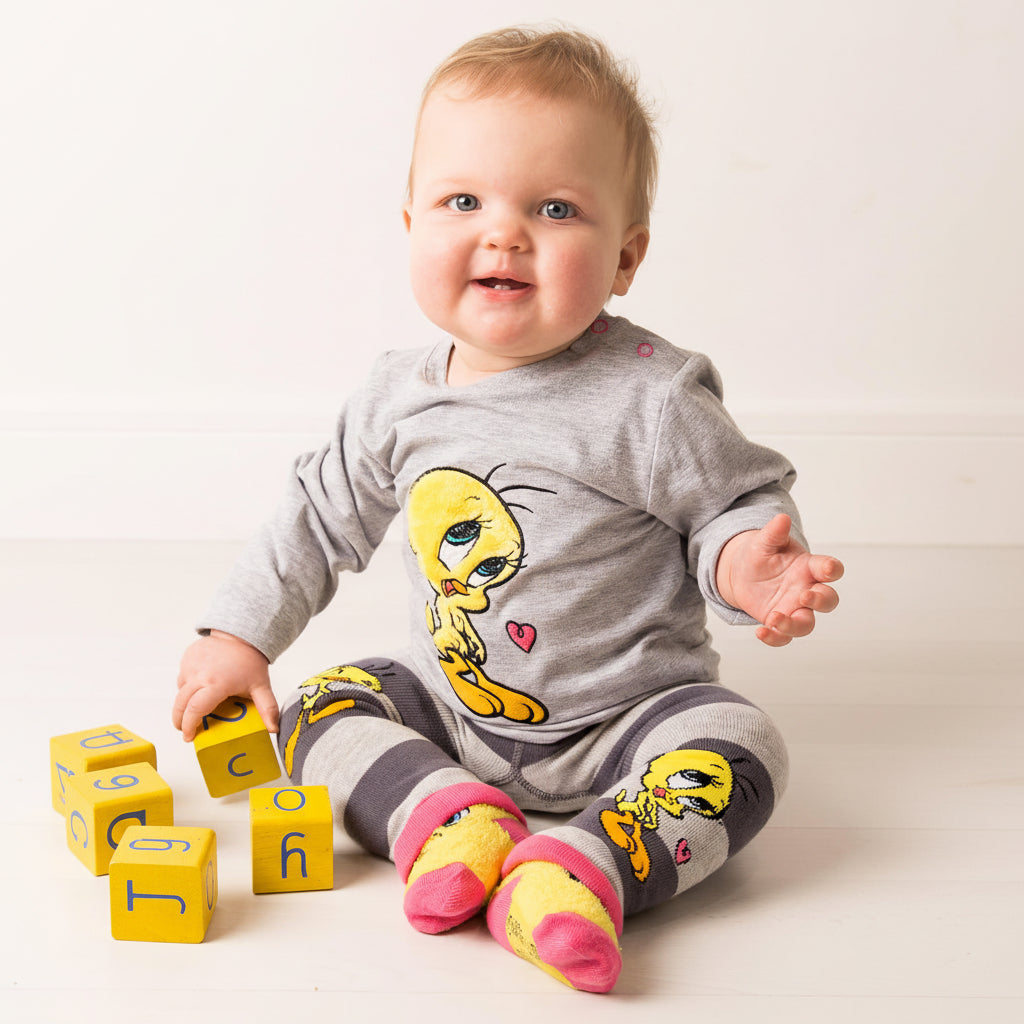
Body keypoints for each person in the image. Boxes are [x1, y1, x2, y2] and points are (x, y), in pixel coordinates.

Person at [173, 25, 843, 993]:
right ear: (411, 224)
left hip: (629, 720)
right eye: (463, 201)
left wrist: (749, 563)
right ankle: (450, 817)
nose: (504, 233)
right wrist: (238, 635)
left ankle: (582, 866)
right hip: (454, 712)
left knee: (744, 749)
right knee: (321, 706)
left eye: (555, 208)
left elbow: (731, 504)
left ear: (625, 256)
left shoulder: (649, 397)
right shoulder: (396, 397)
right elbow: (318, 518)